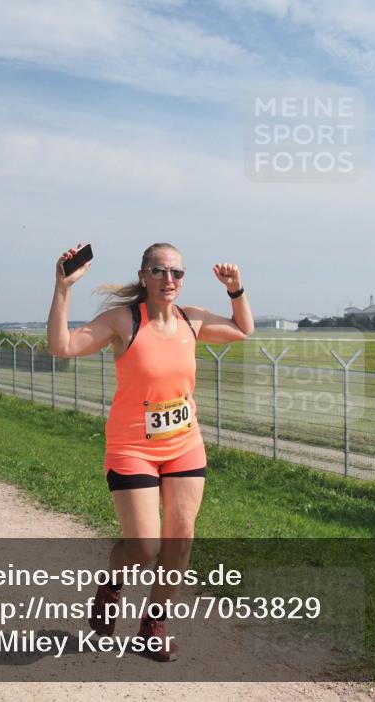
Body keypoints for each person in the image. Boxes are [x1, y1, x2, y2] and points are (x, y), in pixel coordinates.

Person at [47, 242, 253, 662]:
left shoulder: (191, 320)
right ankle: (111, 588)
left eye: (177, 272)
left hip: (184, 445)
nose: (168, 279)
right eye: (159, 271)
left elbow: (242, 329)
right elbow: (61, 346)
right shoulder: (123, 321)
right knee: (144, 547)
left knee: (180, 540)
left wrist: (235, 289)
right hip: (132, 449)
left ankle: (152, 625)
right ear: (143, 275)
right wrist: (63, 288)